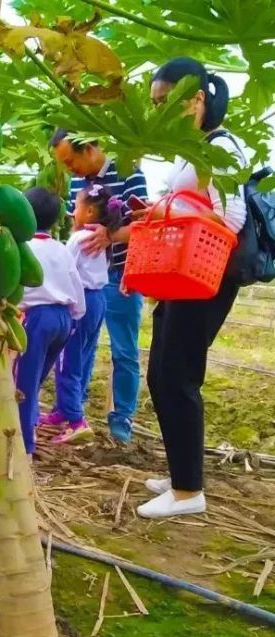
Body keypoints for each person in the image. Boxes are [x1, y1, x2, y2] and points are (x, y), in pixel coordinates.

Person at [138, 57, 248, 519]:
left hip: (208, 275)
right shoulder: (192, 148)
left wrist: (174, 216)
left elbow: (233, 217)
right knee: (159, 374)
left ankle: (188, 493)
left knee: (179, 376)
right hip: (182, 274)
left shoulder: (222, 147)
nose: (160, 112)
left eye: (166, 103)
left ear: (197, 98)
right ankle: (181, 470)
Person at [51, 129, 149, 444]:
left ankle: (121, 419)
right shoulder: (79, 183)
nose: (70, 169)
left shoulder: (129, 171)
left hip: (122, 275)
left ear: (90, 147)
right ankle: (72, 412)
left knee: (123, 350)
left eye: (71, 161)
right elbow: (74, 224)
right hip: (86, 283)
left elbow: (145, 224)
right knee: (81, 349)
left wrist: (111, 237)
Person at [41, 185, 122, 443]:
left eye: (75, 206)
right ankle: (63, 410)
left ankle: (76, 419)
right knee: (84, 357)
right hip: (98, 300)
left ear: (88, 211)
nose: (72, 212)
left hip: (81, 301)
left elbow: (66, 268)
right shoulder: (100, 239)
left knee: (67, 362)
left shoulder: (78, 238)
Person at [16, 187, 86, 459]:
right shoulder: (61, 248)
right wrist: (74, 318)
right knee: (34, 381)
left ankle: (23, 447)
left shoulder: (24, 248)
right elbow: (76, 288)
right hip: (63, 320)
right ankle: (30, 424)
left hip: (36, 319)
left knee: (22, 384)